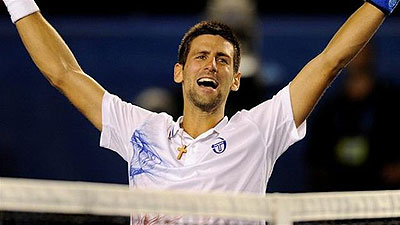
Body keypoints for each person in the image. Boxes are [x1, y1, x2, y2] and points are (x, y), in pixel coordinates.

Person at [2, 0, 398, 224]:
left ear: (236, 80)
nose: (211, 65)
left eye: (223, 60)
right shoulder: (141, 129)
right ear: (179, 72)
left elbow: (330, 61)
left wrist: (383, 0)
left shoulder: (258, 131)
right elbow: (64, 74)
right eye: (201, 57)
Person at [307, 43, 400, 191]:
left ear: (373, 55)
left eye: (364, 50)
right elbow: (314, 156)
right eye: (355, 51)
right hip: (339, 192)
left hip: (380, 192)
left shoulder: (392, 101)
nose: (358, 56)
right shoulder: (329, 107)